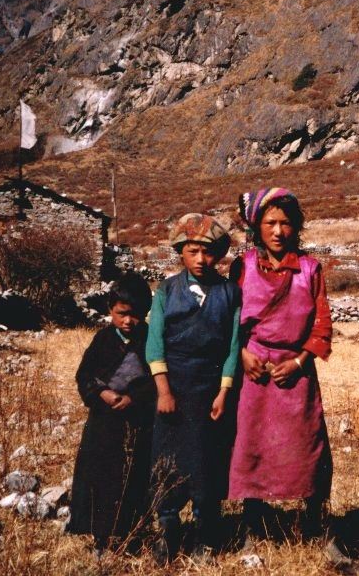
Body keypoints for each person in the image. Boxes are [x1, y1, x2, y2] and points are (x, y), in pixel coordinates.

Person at [228, 188, 344, 561]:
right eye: (270, 223)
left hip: (297, 374)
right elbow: (228, 321)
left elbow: (321, 325)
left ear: (296, 228)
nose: (278, 231)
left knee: (308, 447)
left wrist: (297, 363)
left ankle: (316, 522)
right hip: (254, 374)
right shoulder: (242, 267)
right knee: (252, 444)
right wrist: (243, 354)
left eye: (285, 223)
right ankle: (251, 521)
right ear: (256, 228)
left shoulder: (310, 270)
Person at [146, 213, 240, 563]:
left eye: (209, 252)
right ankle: (168, 531)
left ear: (219, 254)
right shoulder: (167, 291)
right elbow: (155, 343)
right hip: (174, 388)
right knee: (168, 460)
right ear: (180, 253)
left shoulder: (230, 293)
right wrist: (164, 391)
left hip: (210, 390)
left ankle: (205, 535)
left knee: (207, 461)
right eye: (192, 251)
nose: (201, 259)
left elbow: (233, 345)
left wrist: (224, 391)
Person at [68, 273, 156, 557]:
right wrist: (103, 394)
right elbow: (85, 375)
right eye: (122, 314)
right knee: (100, 478)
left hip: (136, 422)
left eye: (136, 315)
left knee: (132, 478)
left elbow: (157, 380)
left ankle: (131, 533)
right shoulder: (103, 339)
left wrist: (134, 399)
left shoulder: (149, 339)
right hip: (103, 424)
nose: (128, 321)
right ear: (110, 310)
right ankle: (101, 536)